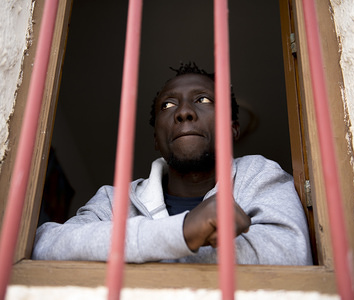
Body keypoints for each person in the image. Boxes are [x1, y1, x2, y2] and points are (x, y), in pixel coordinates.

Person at [32, 62, 313, 265]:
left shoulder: (259, 175)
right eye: (168, 105)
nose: (184, 112)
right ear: (156, 139)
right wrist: (182, 231)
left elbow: (291, 252)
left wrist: (141, 253)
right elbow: (47, 245)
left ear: (233, 129)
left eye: (202, 99)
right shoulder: (113, 200)